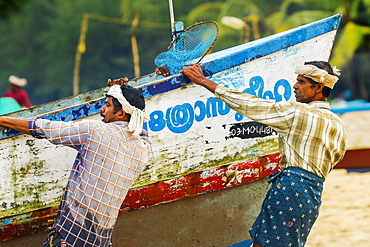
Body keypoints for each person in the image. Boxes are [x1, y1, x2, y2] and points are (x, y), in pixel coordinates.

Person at [180, 61, 347, 247]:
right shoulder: (338, 125)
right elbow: (337, 157)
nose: (295, 86)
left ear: (318, 87)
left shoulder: (298, 114)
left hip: (290, 188)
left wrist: (203, 81)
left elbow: (250, 105)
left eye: (301, 82)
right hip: (313, 195)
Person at [0, 77, 151, 247]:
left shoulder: (95, 131)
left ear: (121, 113)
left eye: (107, 105)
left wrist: (3, 120)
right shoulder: (144, 148)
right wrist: (121, 91)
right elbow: (138, 127)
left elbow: (44, 128)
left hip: (71, 235)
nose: (101, 109)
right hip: (101, 240)